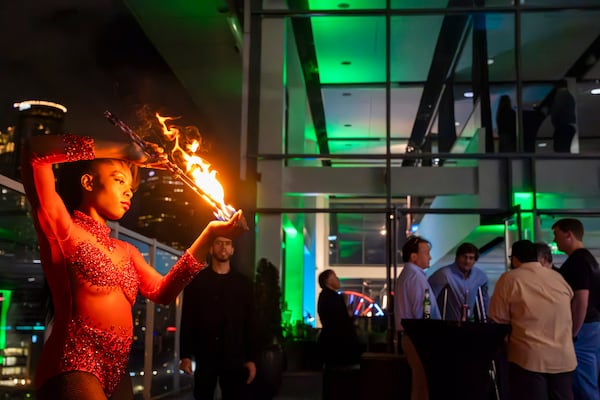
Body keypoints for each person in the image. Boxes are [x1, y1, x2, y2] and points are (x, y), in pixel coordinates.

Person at [21, 133, 248, 400]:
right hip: (74, 362)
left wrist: (208, 235)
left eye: (131, 187)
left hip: (118, 369)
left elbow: (163, 293)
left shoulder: (127, 252)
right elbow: (34, 152)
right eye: (119, 180)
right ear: (88, 181)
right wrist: (125, 150)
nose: (128, 190)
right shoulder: (62, 228)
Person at [489, 240, 576, 400]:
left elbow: (497, 319)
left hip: (529, 357)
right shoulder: (557, 277)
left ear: (514, 259)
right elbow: (570, 301)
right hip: (564, 356)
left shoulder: (510, 278)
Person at [179, 235, 256, 400]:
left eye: (228, 243)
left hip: (234, 354)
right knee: (203, 395)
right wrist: (185, 355)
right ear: (211, 248)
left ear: (233, 249)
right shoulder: (197, 282)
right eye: (219, 243)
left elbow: (250, 322)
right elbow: (188, 319)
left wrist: (251, 358)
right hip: (205, 354)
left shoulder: (243, 284)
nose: (223, 247)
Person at [553, 218, 600, 399]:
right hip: (592, 327)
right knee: (589, 380)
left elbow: (581, 300)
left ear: (569, 234)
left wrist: (572, 332)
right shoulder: (589, 259)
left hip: (584, 329)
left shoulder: (577, 261)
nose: (555, 240)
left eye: (556, 234)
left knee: (583, 383)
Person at [394, 236, 440, 400]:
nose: (430, 257)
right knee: (422, 385)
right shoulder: (415, 277)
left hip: (412, 336)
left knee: (419, 383)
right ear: (414, 257)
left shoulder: (408, 275)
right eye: (426, 253)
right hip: (419, 337)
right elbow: (424, 309)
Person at [428, 242, 489, 321]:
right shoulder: (444, 274)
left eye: (471, 258)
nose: (467, 261)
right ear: (457, 257)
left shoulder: (480, 277)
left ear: (475, 260)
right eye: (464, 257)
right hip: (447, 324)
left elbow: (484, 302)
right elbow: (430, 299)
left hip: (469, 323)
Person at [317, 269, 361, 367]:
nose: (338, 279)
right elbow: (342, 320)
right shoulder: (334, 298)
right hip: (340, 345)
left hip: (329, 343)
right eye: (335, 277)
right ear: (328, 281)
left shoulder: (323, 297)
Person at [550, 80, 577, 153]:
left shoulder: (560, 95)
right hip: (569, 126)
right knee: (565, 149)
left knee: (560, 149)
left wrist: (554, 121)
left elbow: (556, 110)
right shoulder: (569, 95)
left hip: (563, 127)